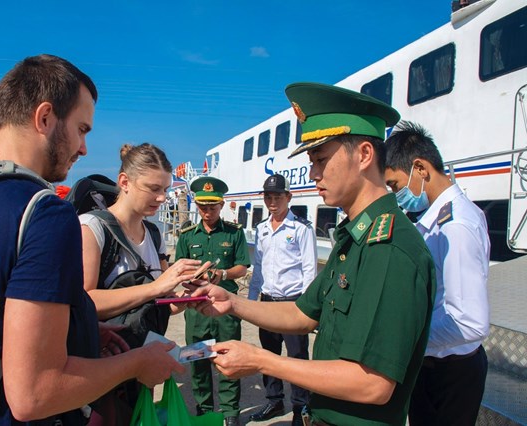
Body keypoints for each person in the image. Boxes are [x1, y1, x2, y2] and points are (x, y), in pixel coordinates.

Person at [0, 54, 184, 425]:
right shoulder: (45, 214)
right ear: (45, 118)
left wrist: (78, 328)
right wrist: (136, 363)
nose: (83, 148)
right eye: (82, 130)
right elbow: (34, 394)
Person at [188, 83, 436, 426]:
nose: (313, 173)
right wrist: (233, 304)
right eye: (311, 161)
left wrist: (263, 361)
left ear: (364, 155)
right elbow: (304, 314)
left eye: (321, 159)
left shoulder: (389, 247)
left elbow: (373, 384)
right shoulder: (354, 239)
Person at [384, 120, 490, 425]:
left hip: (451, 370)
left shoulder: (456, 226)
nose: (396, 194)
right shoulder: (431, 219)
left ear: (420, 169)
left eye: (395, 185)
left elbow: (468, 322)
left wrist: (406, 341)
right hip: (433, 363)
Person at [80, 142, 200, 325]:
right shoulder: (92, 228)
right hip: (105, 351)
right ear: (124, 182)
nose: (162, 198)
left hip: (148, 346)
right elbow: (83, 302)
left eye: (165, 189)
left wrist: (190, 296)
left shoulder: (154, 233)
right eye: (153, 188)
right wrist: (154, 287)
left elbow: (158, 303)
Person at [175, 176, 250, 426]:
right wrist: (192, 276)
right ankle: (204, 410)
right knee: (197, 362)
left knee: (229, 359)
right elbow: (179, 268)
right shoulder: (186, 236)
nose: (207, 212)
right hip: (196, 310)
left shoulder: (234, 233)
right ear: (197, 206)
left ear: (221, 205)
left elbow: (242, 267)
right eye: (203, 207)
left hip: (225, 309)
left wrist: (222, 274)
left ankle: (230, 413)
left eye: (213, 207)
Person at [247, 173, 317, 425]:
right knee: (269, 353)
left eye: (278, 195)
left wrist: (308, 308)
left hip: (292, 303)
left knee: (297, 357)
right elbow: (259, 267)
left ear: (289, 197)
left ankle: (301, 406)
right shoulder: (261, 229)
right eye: (268, 196)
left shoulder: (301, 229)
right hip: (267, 301)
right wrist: (252, 301)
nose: (272, 201)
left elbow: (310, 269)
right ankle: (274, 401)